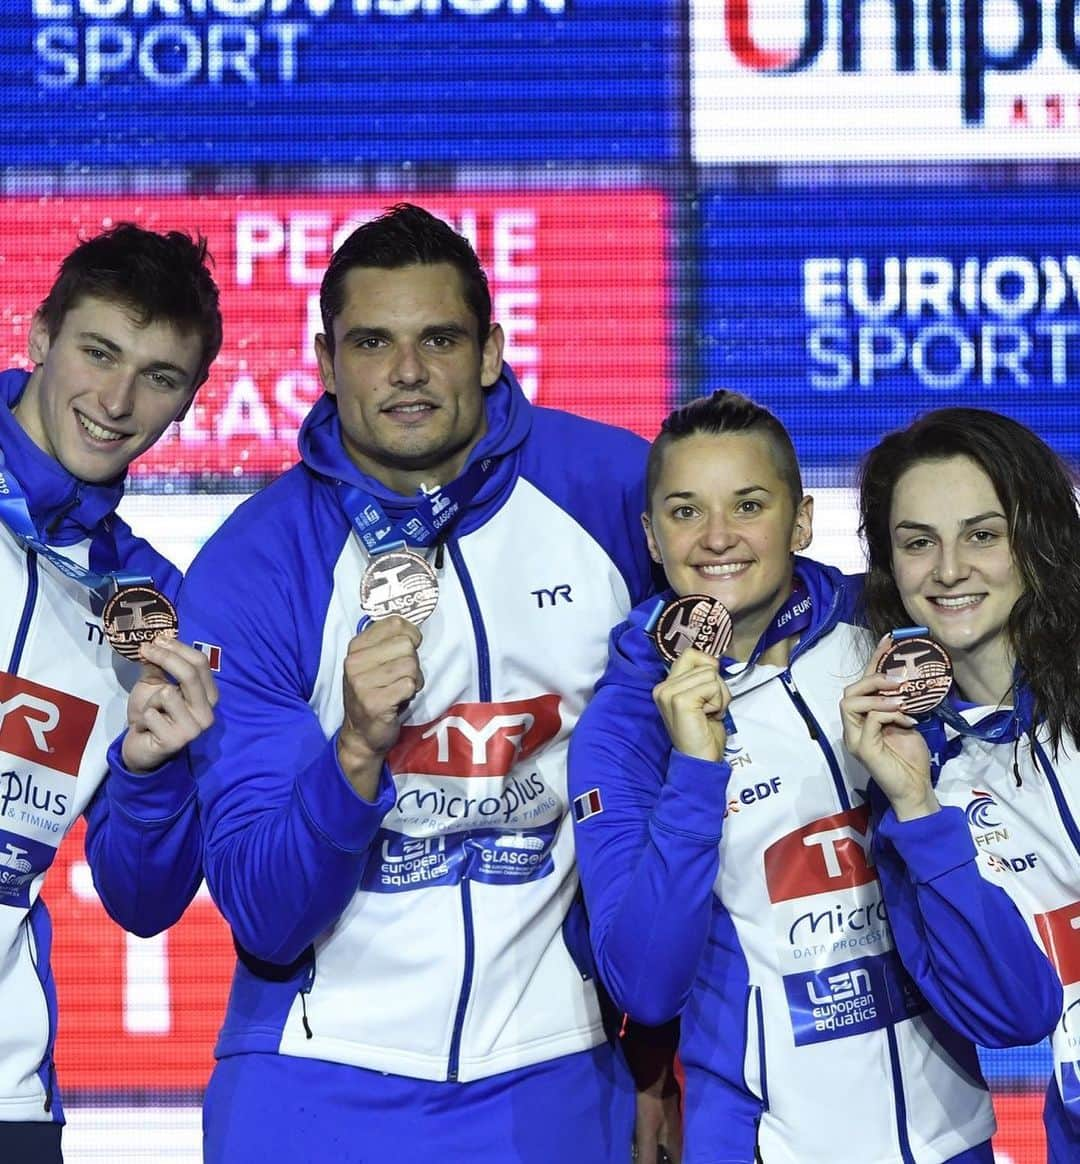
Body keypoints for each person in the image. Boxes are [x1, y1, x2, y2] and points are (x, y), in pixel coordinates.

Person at [179, 202, 673, 1162]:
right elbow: (268, 917)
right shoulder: (256, 568)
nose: (407, 373)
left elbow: (764, 655)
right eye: (373, 343)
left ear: (490, 350)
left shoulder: (617, 493)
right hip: (315, 1077)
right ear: (326, 364)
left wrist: (665, 1050)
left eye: (438, 339)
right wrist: (358, 751)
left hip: (560, 1068)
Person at [568, 390, 1060, 1163]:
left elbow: (1015, 1000)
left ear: (801, 520)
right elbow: (646, 986)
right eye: (686, 511)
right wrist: (696, 773)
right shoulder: (625, 726)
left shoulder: (896, 644)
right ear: (651, 537)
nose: (719, 538)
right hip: (768, 1144)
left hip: (959, 1138)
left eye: (749, 505)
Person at [0, 223, 222, 1159]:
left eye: (160, 377)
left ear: (188, 403)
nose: (118, 400)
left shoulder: (154, 611)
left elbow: (142, 900)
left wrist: (152, 772)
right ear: (41, 335)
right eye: (99, 352)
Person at [841, 407, 1080, 1163]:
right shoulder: (918, 777)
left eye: (983, 534)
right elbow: (1012, 1016)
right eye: (918, 543)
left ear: (1036, 535)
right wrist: (916, 807)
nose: (948, 570)